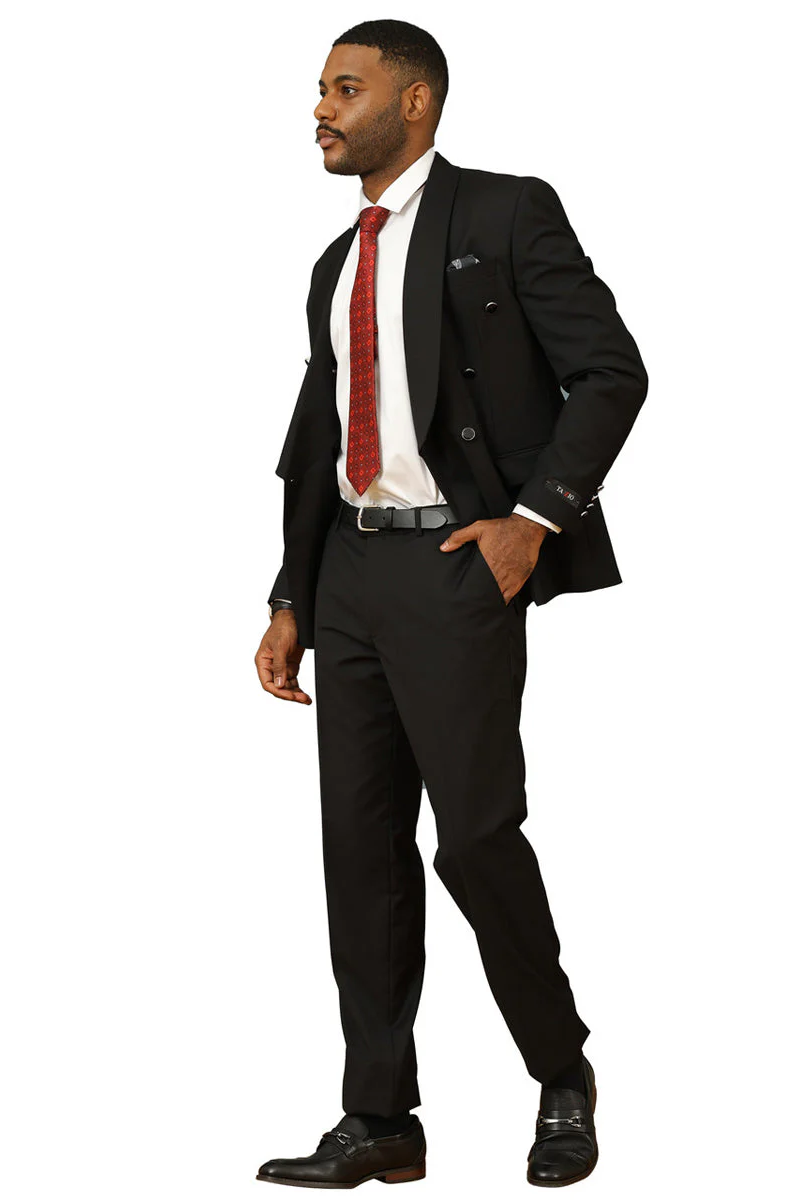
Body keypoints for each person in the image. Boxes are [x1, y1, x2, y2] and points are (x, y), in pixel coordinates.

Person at [254, 18, 647, 1189]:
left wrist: (534, 520)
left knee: (473, 838)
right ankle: (379, 1117)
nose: (320, 110)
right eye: (320, 90)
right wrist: (288, 595)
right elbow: (316, 436)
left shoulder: (505, 214)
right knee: (359, 851)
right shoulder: (334, 262)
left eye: (344, 89)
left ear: (413, 101)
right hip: (347, 575)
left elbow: (609, 372)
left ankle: (560, 1073)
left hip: (456, 565)